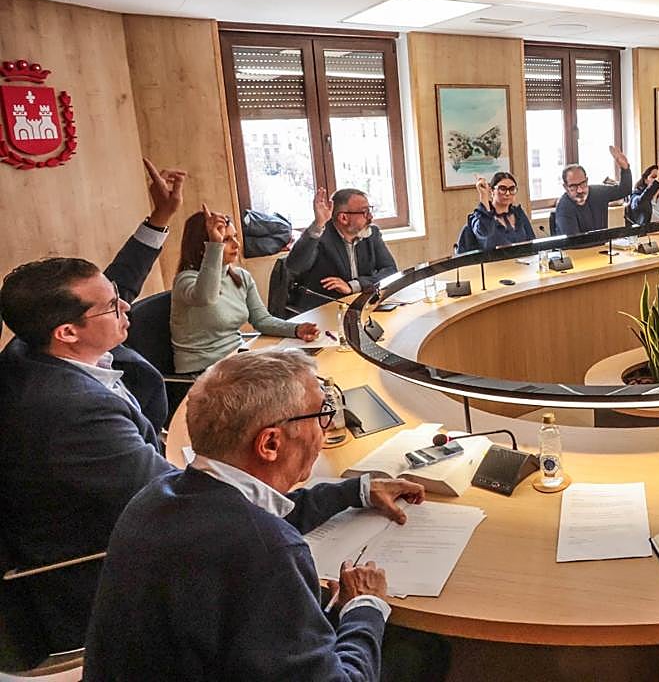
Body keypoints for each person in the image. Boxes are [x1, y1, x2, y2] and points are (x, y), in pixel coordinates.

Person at [83, 349, 432, 681]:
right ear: (270, 444)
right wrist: (364, 606)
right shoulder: (268, 551)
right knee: (421, 651)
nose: (325, 429)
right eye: (321, 415)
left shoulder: (156, 495)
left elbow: (252, 518)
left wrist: (355, 491)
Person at [0, 158, 187, 652]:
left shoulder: (37, 342)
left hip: (128, 485)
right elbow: (179, 497)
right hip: (101, 565)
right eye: (112, 306)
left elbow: (115, 285)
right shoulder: (73, 412)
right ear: (68, 331)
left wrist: (159, 218)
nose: (126, 306)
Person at [171, 206, 318, 373]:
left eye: (235, 236)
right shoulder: (185, 280)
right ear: (203, 246)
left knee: (300, 365)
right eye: (226, 240)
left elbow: (262, 320)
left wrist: (296, 329)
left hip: (236, 359)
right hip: (202, 371)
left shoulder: (241, 276)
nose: (236, 244)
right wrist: (214, 245)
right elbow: (206, 297)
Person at [286, 188, 398, 311]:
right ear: (344, 218)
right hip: (324, 309)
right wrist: (318, 225)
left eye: (370, 210)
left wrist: (354, 286)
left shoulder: (372, 233)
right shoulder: (320, 237)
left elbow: (390, 270)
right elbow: (295, 266)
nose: (371, 217)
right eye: (365, 212)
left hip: (362, 304)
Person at [553, 145, 632, 234]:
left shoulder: (598, 192)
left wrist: (625, 168)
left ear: (587, 180)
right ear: (565, 187)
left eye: (582, 184)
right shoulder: (564, 207)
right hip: (580, 243)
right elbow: (574, 240)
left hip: (602, 242)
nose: (580, 190)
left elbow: (625, 190)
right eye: (573, 186)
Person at [468, 171, 535, 250]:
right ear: (492, 191)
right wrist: (484, 196)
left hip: (523, 257)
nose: (507, 193)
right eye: (502, 189)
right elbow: (484, 232)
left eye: (512, 189)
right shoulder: (479, 217)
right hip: (493, 258)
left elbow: (532, 242)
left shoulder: (518, 213)